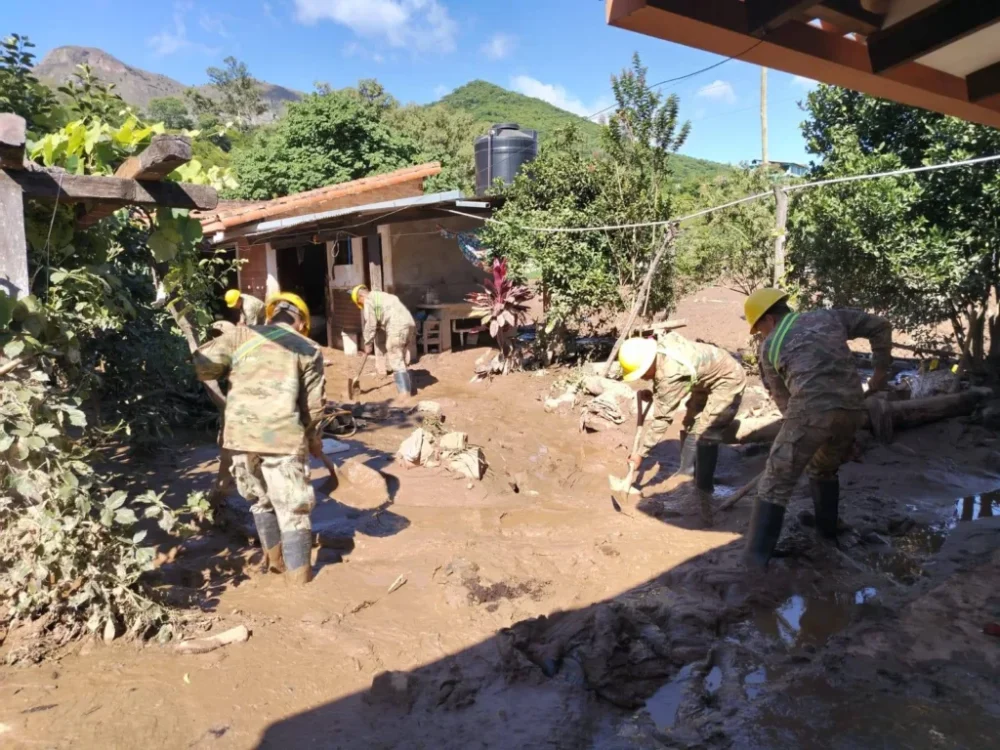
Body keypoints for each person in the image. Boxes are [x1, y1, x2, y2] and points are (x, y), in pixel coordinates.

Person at [742, 288, 892, 570]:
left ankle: (754, 562)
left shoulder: (770, 345)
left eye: (758, 329)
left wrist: (800, 439)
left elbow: (784, 402)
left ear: (769, 320)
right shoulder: (829, 317)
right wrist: (880, 373)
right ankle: (827, 535)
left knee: (775, 482)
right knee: (823, 468)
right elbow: (880, 326)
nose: (760, 335)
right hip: (853, 410)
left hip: (810, 411)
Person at [193, 292, 325, 585]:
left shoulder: (240, 336)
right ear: (301, 322)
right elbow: (313, 407)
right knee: (293, 510)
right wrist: (314, 438)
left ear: (270, 314)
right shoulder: (309, 348)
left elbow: (203, 366)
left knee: (261, 502)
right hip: (283, 437)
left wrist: (230, 344)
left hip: (240, 436)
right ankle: (299, 587)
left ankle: (274, 564)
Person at [619, 332, 747, 495]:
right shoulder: (658, 352)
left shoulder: (670, 373)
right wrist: (655, 394)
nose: (643, 378)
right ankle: (686, 472)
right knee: (690, 423)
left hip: (728, 378)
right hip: (704, 379)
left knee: (707, 431)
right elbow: (664, 383)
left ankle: (704, 488)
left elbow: (662, 419)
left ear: (650, 361)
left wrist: (641, 453)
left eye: (643, 373)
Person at [351, 285, 417, 396]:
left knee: (395, 357)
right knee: (400, 356)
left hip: (397, 325)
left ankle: (405, 394)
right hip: (410, 324)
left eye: (360, 302)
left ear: (361, 296)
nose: (362, 305)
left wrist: (367, 343)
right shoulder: (382, 296)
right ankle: (408, 384)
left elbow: (371, 324)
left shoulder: (368, 300)